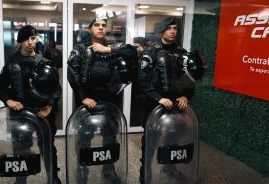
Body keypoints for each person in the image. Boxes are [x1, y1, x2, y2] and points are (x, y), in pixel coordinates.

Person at [67, 18, 137, 184]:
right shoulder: (81, 49)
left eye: (103, 26)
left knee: (110, 136)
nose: (100, 28)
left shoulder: (113, 47)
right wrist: (83, 97)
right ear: (90, 29)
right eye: (97, 25)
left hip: (109, 100)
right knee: (84, 137)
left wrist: (108, 49)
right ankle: (82, 168)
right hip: (87, 101)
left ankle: (108, 169)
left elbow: (132, 52)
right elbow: (72, 74)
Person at [137, 17, 205, 184]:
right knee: (151, 141)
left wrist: (185, 96)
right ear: (162, 30)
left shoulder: (182, 53)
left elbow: (190, 79)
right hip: (155, 105)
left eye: (175, 28)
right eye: (169, 28)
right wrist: (159, 98)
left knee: (174, 139)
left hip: (177, 106)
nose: (173, 31)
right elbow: (142, 80)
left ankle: (169, 168)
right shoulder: (151, 52)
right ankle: (145, 173)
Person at [0, 25, 62, 184]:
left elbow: (56, 89)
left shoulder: (45, 62)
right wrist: (9, 101)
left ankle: (52, 177)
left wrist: (50, 106)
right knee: (20, 149)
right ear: (20, 42)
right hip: (20, 113)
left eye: (32, 38)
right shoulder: (12, 64)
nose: (30, 42)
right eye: (25, 39)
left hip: (43, 113)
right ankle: (20, 179)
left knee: (48, 147)